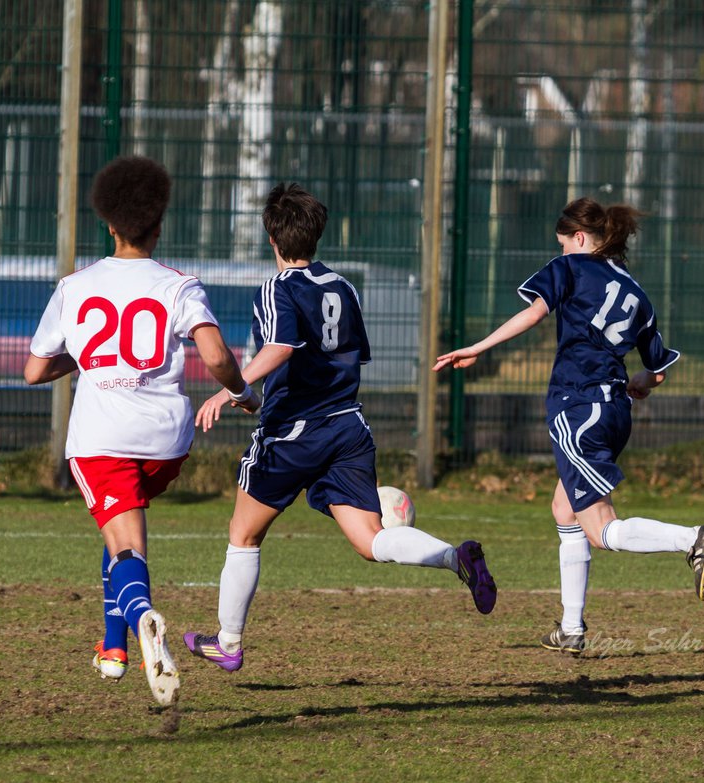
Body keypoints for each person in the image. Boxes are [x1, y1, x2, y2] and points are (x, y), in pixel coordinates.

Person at [182, 182, 497, 673]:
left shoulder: (277, 288)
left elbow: (281, 347)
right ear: (317, 235)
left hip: (292, 432)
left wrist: (232, 389)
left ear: (273, 239)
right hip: (348, 426)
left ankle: (228, 641)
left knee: (243, 534)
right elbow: (351, 356)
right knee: (371, 541)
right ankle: (455, 557)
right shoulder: (344, 287)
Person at [433, 197, 704, 656]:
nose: (562, 250)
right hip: (614, 411)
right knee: (564, 510)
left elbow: (532, 313)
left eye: (564, 242)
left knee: (601, 530)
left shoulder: (570, 268)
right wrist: (640, 383)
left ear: (580, 239)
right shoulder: (636, 292)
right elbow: (658, 371)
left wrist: (478, 348)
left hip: (578, 407)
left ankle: (690, 539)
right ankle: (571, 629)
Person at [24, 155, 259, 705]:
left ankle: (142, 617)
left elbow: (35, 370)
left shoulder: (75, 286)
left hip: (102, 439)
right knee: (121, 530)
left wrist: (87, 361)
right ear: (158, 224)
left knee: (126, 545)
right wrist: (245, 395)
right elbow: (218, 357)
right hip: (166, 445)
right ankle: (112, 648)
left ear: (108, 223)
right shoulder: (180, 286)